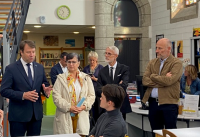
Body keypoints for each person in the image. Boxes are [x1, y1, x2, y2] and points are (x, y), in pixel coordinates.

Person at [0, 40, 52, 137]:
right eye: (28, 52)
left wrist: (45, 91)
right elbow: (4, 90)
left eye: (33, 52)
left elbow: (44, 84)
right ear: (21, 52)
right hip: (18, 116)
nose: (32, 55)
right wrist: (23, 95)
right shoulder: (11, 69)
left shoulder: (39, 67)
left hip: (36, 115)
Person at [142, 38, 183, 133]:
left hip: (169, 104)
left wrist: (153, 76)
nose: (157, 51)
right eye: (156, 48)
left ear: (169, 49)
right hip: (153, 104)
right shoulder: (152, 62)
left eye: (160, 48)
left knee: (170, 133)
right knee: (156, 133)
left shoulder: (176, 63)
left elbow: (170, 81)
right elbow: (145, 80)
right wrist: (162, 79)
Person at [52, 53, 95, 136]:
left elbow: (91, 96)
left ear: (78, 63)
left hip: (81, 114)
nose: (71, 64)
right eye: (69, 62)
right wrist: (69, 107)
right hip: (65, 115)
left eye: (74, 62)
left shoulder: (86, 78)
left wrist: (83, 106)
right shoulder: (60, 78)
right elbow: (56, 97)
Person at [96, 46, 132, 120]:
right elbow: (98, 90)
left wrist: (106, 89)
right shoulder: (102, 71)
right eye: (105, 53)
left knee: (119, 129)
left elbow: (123, 86)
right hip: (106, 107)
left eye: (109, 54)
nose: (106, 55)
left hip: (120, 106)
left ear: (116, 56)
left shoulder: (124, 69)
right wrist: (117, 86)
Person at [83, 51, 103, 122]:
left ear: (96, 59)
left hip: (97, 91)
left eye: (93, 60)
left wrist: (95, 79)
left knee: (98, 109)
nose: (92, 62)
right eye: (90, 60)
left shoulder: (101, 68)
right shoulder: (86, 68)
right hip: (88, 91)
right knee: (89, 109)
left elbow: (103, 80)